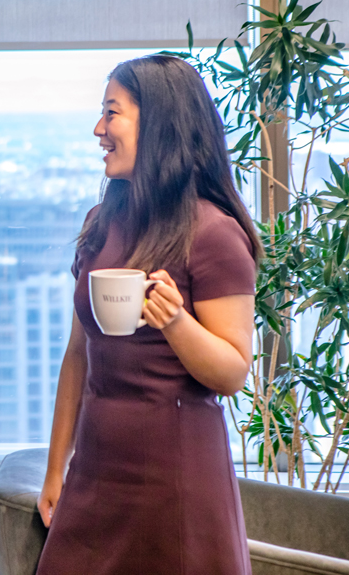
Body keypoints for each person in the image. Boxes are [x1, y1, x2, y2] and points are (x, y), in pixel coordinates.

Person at [35, 54, 262, 575]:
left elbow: (231, 373)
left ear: (158, 125)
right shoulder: (101, 220)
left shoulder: (213, 233)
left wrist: (176, 323)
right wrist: (56, 470)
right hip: (95, 473)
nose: (98, 129)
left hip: (176, 481)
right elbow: (79, 355)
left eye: (112, 113)